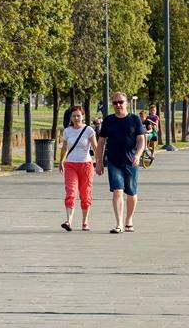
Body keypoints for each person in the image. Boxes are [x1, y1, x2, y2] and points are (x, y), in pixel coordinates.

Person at [95, 92, 146, 234]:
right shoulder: (109, 120)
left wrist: (138, 155)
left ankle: (128, 220)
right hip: (113, 161)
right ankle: (118, 224)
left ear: (126, 103)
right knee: (117, 190)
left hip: (131, 161)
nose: (118, 105)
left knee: (131, 193)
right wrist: (98, 162)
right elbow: (101, 142)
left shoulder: (134, 119)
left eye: (120, 102)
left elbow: (141, 139)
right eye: (115, 103)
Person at [58, 106, 98, 232]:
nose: (76, 118)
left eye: (78, 116)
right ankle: (68, 221)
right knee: (71, 192)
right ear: (70, 117)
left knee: (85, 193)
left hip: (86, 165)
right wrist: (61, 161)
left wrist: (98, 162)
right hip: (70, 165)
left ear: (83, 116)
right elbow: (64, 148)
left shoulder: (89, 130)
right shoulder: (67, 131)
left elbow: (96, 147)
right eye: (74, 116)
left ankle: (85, 221)